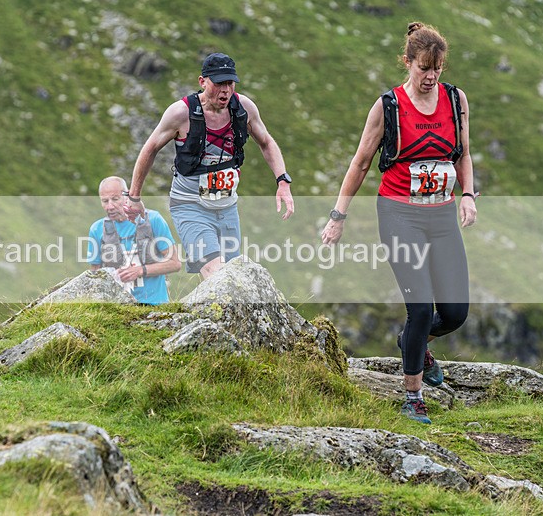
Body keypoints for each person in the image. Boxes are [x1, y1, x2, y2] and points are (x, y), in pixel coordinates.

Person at [321, 22, 477, 424]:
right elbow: (360, 164)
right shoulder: (387, 107)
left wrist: (468, 196)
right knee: (420, 307)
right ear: (407, 62)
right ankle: (413, 395)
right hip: (399, 214)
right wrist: (338, 217)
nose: (430, 77)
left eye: (436, 69)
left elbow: (463, 154)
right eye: (423, 68)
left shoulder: (456, 99)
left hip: (441, 214)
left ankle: (413, 343)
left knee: (456, 312)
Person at [125, 52, 295, 279]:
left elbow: (266, 142)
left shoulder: (243, 108)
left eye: (230, 83)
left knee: (234, 274)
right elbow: (150, 149)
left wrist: (282, 180)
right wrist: (134, 198)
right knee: (216, 272)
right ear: (203, 82)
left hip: (227, 206)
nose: (225, 90)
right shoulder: (181, 113)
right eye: (219, 83)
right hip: (189, 204)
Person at [86, 176, 180, 305]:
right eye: (105, 201)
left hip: (156, 306)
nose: (110, 206)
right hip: (116, 310)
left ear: (127, 195)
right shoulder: (97, 229)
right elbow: (95, 275)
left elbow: (175, 264)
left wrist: (140, 270)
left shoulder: (153, 219)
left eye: (115, 199)